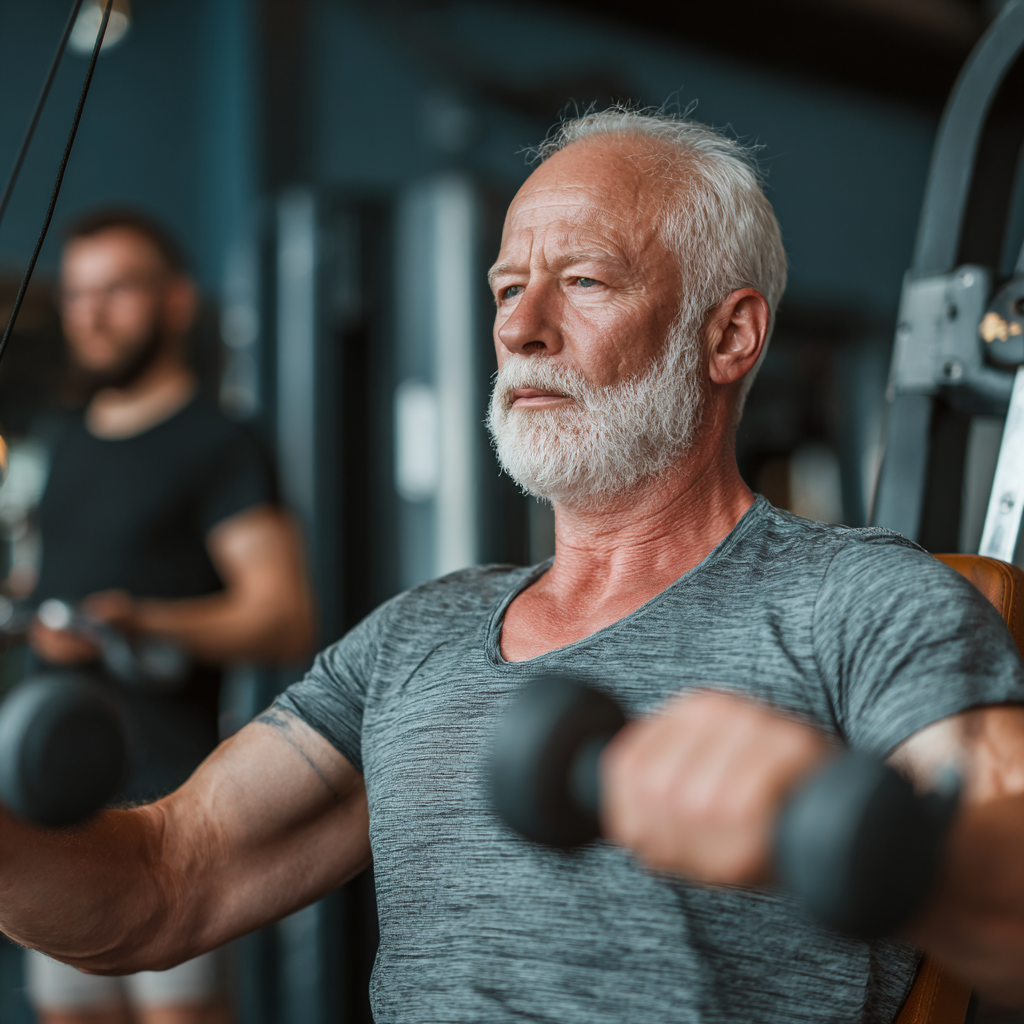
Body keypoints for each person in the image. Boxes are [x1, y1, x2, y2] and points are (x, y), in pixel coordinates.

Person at [2, 108, 1024, 1022]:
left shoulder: (868, 603)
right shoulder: (415, 634)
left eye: (582, 283)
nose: (519, 329)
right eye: (505, 287)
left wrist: (847, 833)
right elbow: (162, 883)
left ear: (729, 335)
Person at [21, 210, 315, 1024]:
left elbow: (283, 614)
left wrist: (140, 622)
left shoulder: (216, 443)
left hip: (172, 810)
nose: (92, 311)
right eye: (78, 293)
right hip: (57, 800)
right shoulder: (66, 442)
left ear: (176, 303)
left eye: (116, 289)